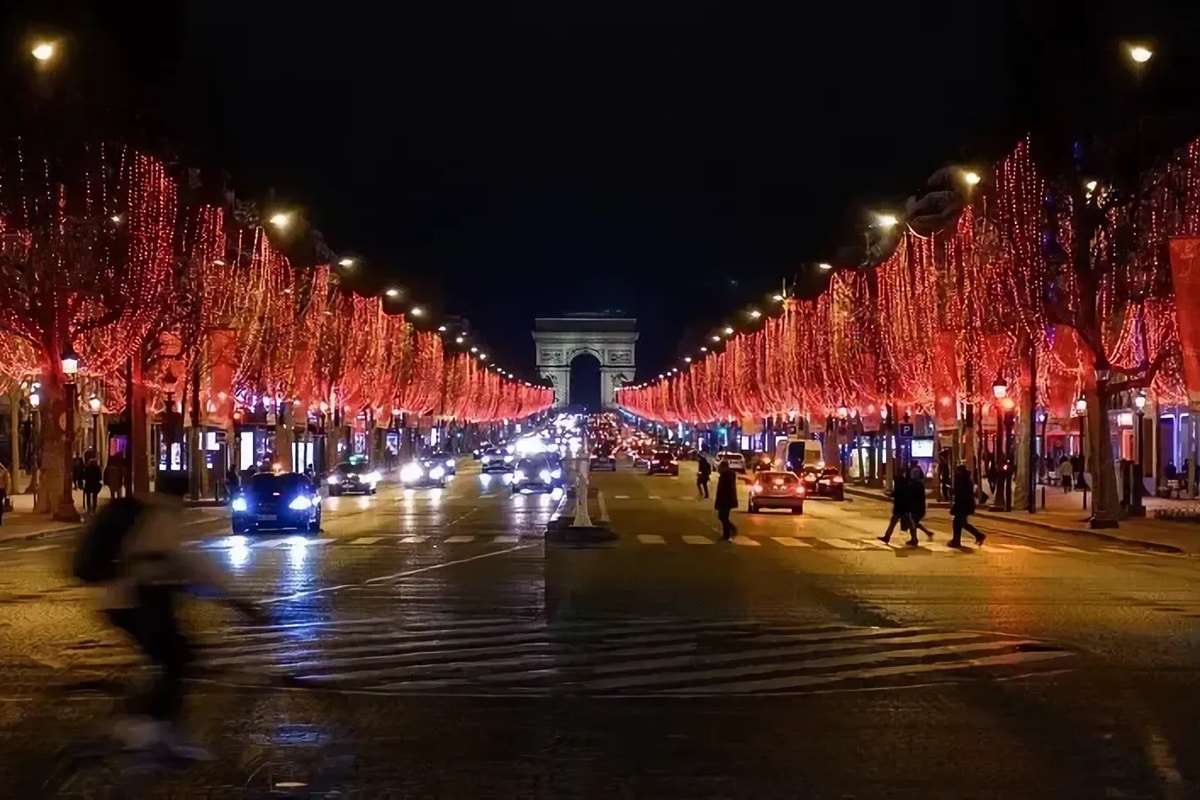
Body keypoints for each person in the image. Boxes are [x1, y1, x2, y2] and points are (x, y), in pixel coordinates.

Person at [95, 472, 266, 760]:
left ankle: (144, 724)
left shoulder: (149, 510)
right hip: (140, 600)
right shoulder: (164, 516)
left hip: (126, 600)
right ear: (182, 493)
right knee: (177, 660)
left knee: (171, 660)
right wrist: (237, 601)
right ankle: (155, 732)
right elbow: (186, 564)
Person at [949, 463, 986, 547]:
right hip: (965, 504)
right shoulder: (966, 479)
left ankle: (956, 541)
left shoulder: (962, 480)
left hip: (963, 504)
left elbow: (960, 492)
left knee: (957, 523)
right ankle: (978, 535)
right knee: (962, 523)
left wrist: (953, 491)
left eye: (957, 471)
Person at [879, 468, 918, 546]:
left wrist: (888, 494)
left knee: (907, 523)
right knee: (906, 523)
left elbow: (896, 493)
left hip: (900, 507)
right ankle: (887, 537)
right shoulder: (906, 483)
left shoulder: (900, 483)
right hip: (904, 506)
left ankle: (914, 539)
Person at [713, 459, 738, 540]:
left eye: (720, 467)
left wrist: (720, 500)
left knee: (723, 517)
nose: (718, 469)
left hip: (725, 500)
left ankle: (731, 530)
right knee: (723, 517)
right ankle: (727, 533)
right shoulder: (729, 474)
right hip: (728, 499)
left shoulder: (725, 475)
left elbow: (723, 489)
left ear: (724, 467)